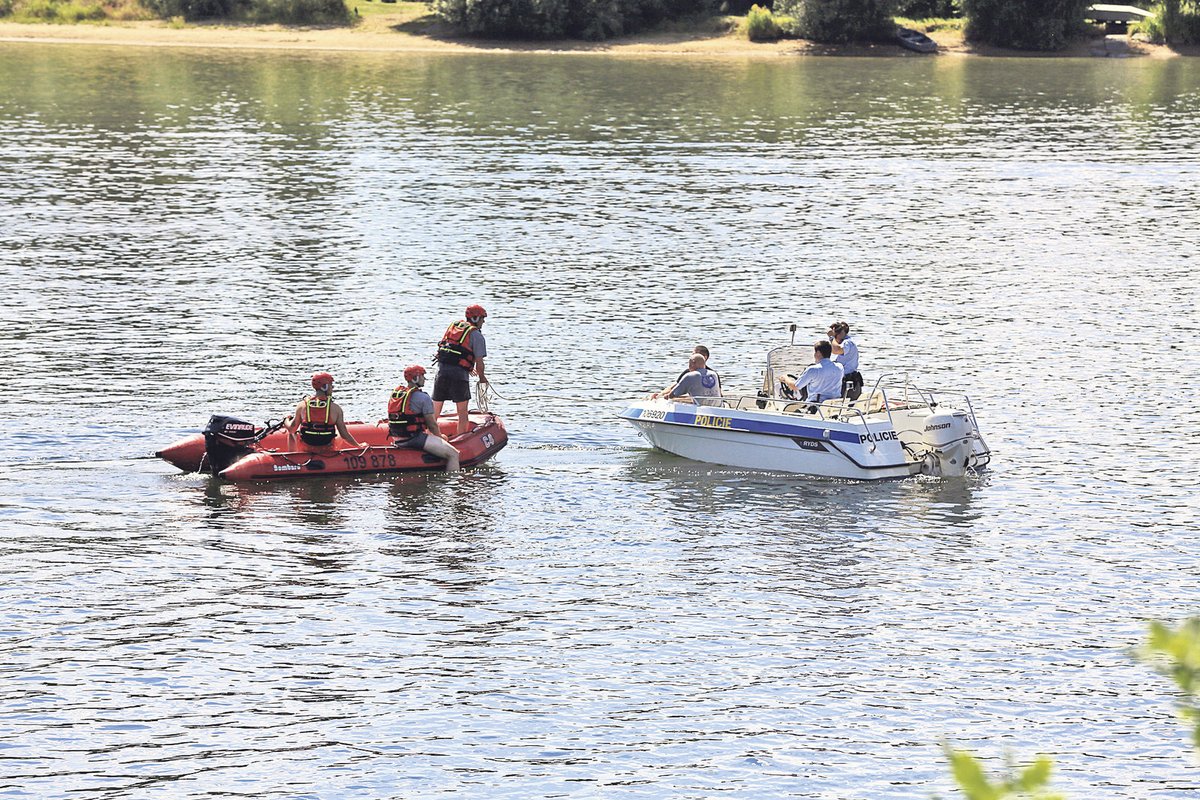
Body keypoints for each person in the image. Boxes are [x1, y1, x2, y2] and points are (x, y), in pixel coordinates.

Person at [388, 365, 461, 472]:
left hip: (397, 439)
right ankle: (454, 484)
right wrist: (440, 438)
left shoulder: (397, 395)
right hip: (414, 439)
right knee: (453, 454)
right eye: (422, 375)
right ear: (415, 378)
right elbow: (432, 425)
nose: (424, 378)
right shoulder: (423, 398)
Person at [432, 304, 488, 437]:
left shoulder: (454, 328)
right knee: (462, 412)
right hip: (459, 377)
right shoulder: (477, 336)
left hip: (441, 373)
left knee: (435, 411)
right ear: (475, 318)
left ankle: (430, 437)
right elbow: (479, 363)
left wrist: (467, 367)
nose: (483, 321)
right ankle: (460, 440)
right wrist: (482, 378)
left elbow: (453, 353)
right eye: (482, 318)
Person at [285, 371, 361, 450]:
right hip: (327, 447)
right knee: (339, 433)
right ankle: (333, 456)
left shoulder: (302, 405)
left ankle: (293, 457)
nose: (332, 388)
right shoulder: (336, 408)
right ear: (325, 387)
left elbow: (291, 428)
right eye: (331, 385)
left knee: (291, 433)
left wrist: (286, 420)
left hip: (306, 447)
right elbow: (345, 435)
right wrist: (358, 446)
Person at [780, 341, 844, 406]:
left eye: (815, 352)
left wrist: (785, 378)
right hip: (835, 405)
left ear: (818, 353)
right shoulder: (840, 367)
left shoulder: (813, 369)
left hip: (816, 406)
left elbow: (795, 386)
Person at [656, 353, 721, 403]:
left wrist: (664, 396)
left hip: (702, 407)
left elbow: (673, 393)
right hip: (718, 406)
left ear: (692, 363)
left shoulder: (690, 376)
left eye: (689, 364)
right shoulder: (714, 374)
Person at [828, 321, 863, 400]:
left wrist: (831, 338)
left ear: (841, 333)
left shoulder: (848, 343)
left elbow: (836, 350)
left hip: (847, 382)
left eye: (835, 335)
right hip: (844, 380)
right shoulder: (846, 342)